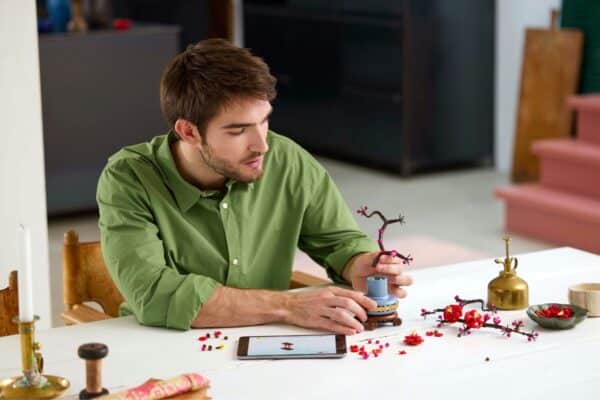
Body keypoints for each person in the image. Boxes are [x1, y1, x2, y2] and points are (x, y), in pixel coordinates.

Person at [97, 39, 413, 334]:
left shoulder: (287, 159)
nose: (261, 145)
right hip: (163, 346)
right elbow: (155, 293)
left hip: (270, 343)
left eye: (264, 121)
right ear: (189, 132)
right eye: (238, 131)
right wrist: (289, 306)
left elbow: (338, 240)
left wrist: (361, 264)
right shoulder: (128, 178)